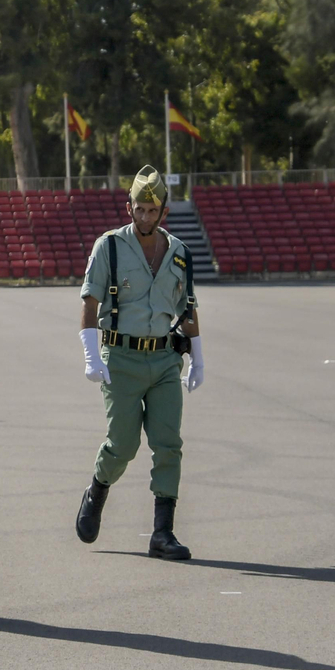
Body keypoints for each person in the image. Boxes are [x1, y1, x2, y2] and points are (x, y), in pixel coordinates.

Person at [75, 165, 202, 562]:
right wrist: (91, 355)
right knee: (123, 444)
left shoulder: (179, 253)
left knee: (168, 445)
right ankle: (97, 489)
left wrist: (198, 358)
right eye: (139, 209)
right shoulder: (109, 246)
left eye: (152, 210)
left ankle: (162, 533)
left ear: (163, 211)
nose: (145, 216)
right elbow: (90, 304)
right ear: (128, 207)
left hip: (164, 359)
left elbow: (189, 308)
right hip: (122, 359)